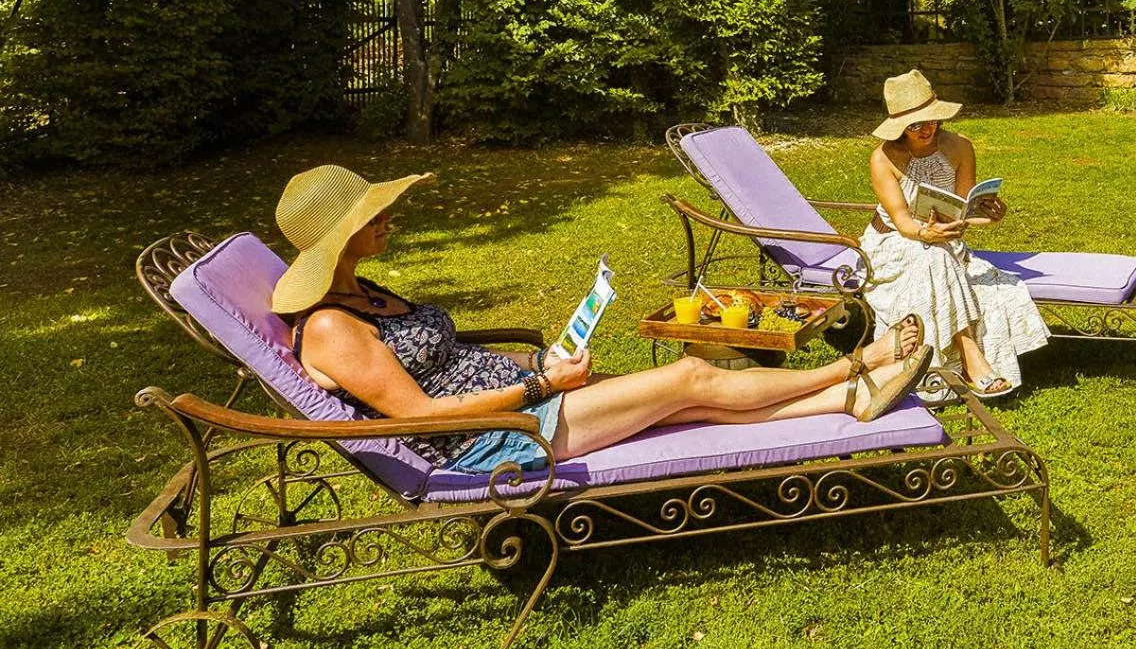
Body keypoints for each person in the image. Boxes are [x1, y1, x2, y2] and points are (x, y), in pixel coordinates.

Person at [269, 164, 933, 474]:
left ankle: (851, 402)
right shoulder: (331, 326)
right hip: (494, 438)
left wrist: (538, 362)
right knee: (692, 378)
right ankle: (855, 364)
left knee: (687, 408)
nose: (387, 219)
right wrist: (539, 389)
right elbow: (417, 416)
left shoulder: (365, 292)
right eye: (370, 217)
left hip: (520, 400)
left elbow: (449, 359)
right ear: (338, 237)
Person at [860, 70, 1049, 400]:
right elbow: (903, 222)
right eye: (915, 124)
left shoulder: (960, 147)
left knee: (937, 254)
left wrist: (989, 216)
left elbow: (961, 212)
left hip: (944, 240)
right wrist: (926, 233)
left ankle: (967, 360)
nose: (926, 128)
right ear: (899, 128)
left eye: (930, 119)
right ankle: (972, 357)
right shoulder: (883, 159)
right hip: (892, 243)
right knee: (932, 254)